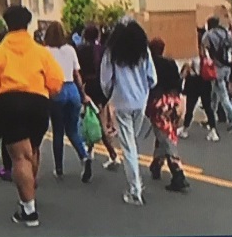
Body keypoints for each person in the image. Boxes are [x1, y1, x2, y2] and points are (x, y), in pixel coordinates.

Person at [0, 6, 65, 226]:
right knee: (32, 150)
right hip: (38, 104)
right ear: (27, 24)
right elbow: (57, 82)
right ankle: (29, 194)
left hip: (9, 104)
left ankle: (29, 211)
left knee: (19, 157)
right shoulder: (40, 51)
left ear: (6, 24)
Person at [100, 18, 158, 206]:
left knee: (129, 147)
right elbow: (153, 78)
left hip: (122, 101)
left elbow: (106, 81)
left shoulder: (111, 53)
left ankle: (135, 190)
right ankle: (136, 183)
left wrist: (110, 95)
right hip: (140, 101)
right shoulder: (143, 51)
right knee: (133, 141)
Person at [43, 20, 93, 182]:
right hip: (72, 90)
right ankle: (84, 156)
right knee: (72, 130)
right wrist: (83, 94)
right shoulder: (70, 49)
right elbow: (77, 74)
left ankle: (59, 168)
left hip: (56, 91)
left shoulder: (45, 52)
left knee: (58, 131)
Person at [145, 38, 190, 193]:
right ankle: (156, 164)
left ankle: (178, 173)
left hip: (158, 103)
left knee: (166, 137)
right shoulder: (170, 63)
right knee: (165, 134)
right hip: (173, 102)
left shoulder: (150, 64)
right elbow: (177, 84)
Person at [76, 23, 119, 168]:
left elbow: (78, 71)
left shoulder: (80, 49)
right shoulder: (103, 50)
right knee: (96, 117)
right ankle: (91, 149)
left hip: (88, 85)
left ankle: (112, 154)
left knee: (93, 119)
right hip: (101, 86)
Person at [201, 15, 232, 138]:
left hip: (215, 68)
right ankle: (210, 118)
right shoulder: (225, 33)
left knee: (223, 96)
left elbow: (204, 51)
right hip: (227, 67)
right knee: (214, 94)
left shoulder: (208, 35)